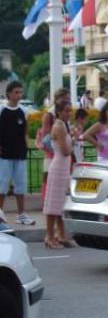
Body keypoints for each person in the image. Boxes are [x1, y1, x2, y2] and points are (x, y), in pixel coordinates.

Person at [0, 82, 36, 225]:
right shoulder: (2, 110)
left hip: (19, 154)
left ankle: (21, 215)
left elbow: (25, 132)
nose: (18, 95)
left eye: (20, 92)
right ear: (8, 93)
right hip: (4, 154)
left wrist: (26, 147)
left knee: (20, 186)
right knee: (2, 186)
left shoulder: (24, 111)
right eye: (16, 92)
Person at [43, 100, 74, 249]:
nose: (69, 113)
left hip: (64, 168)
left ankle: (61, 234)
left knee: (61, 203)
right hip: (58, 167)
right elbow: (65, 150)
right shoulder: (59, 126)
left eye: (70, 110)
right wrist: (73, 139)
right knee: (53, 204)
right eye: (66, 111)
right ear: (60, 111)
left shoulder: (63, 125)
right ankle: (49, 236)